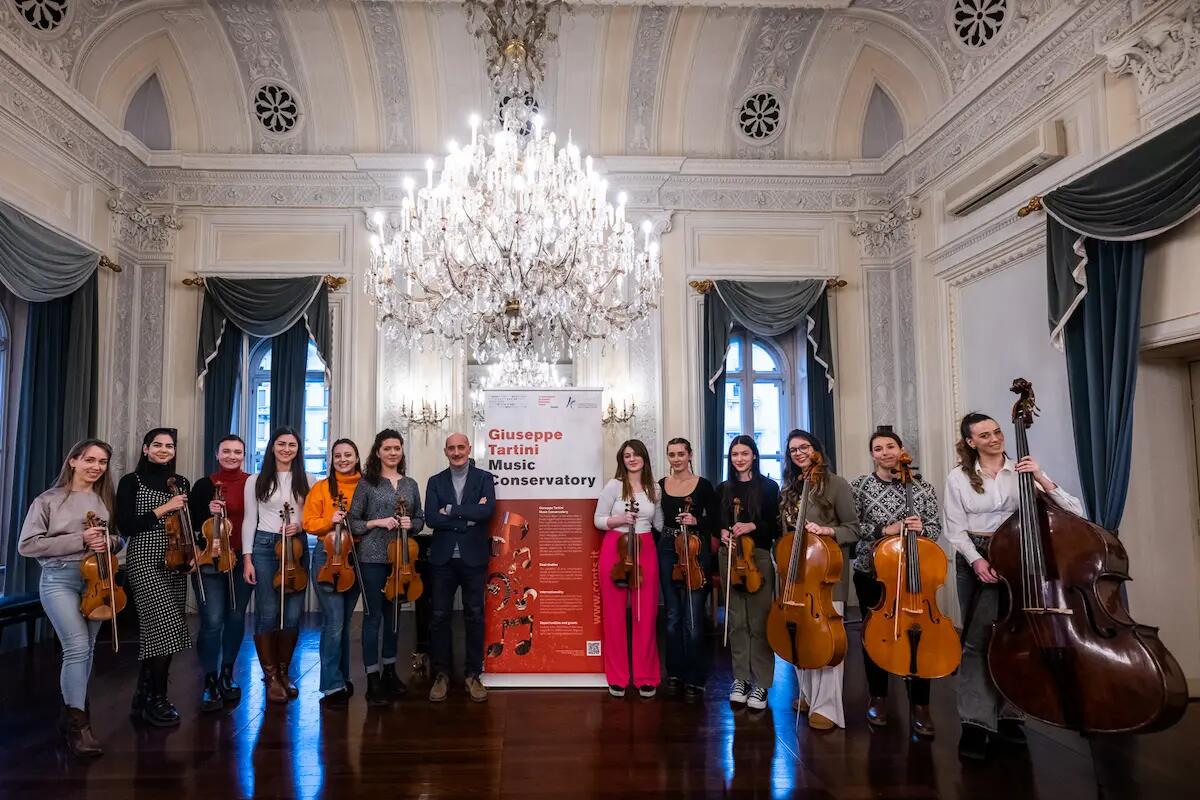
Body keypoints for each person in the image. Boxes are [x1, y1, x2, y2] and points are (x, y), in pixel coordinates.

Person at [944, 412, 1084, 761]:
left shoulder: (1022, 470)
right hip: (976, 558)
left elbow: (1075, 513)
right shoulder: (959, 477)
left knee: (1018, 639)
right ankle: (976, 723)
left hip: (1021, 559)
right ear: (971, 442)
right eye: (985, 435)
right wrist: (977, 560)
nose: (995, 438)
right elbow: (955, 529)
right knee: (978, 642)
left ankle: (1010, 717)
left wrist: (1041, 477)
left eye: (997, 432)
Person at [18, 439, 121, 756]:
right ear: (73, 461)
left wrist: (111, 542)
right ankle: (79, 727)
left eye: (102, 462)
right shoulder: (48, 500)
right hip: (59, 579)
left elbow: (119, 540)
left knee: (86, 649)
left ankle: (70, 715)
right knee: (76, 646)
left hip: (99, 580)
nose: (96, 467)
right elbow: (28, 545)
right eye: (90, 460)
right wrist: (79, 539)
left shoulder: (104, 500)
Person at [850, 427, 942, 737]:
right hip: (872, 572)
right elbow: (853, 526)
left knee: (918, 634)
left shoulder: (923, 487)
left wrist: (921, 528)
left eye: (891, 446)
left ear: (901, 450)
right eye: (878, 448)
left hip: (914, 574)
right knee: (874, 634)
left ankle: (921, 705)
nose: (886, 452)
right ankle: (878, 696)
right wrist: (884, 530)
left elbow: (935, 526)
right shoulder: (860, 486)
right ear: (872, 454)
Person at [780, 429, 858, 730]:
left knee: (827, 639)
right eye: (793, 450)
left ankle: (827, 706)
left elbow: (853, 528)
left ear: (817, 450)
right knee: (800, 636)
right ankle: (810, 696)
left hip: (827, 575)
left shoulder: (836, 484)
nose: (798, 453)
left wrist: (828, 532)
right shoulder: (790, 487)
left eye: (804, 447)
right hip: (797, 573)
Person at [116, 428, 193, 727]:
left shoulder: (181, 482)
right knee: (166, 624)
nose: (163, 450)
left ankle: (144, 693)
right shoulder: (131, 481)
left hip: (176, 559)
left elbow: (188, 523)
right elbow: (126, 526)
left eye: (169, 446)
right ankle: (158, 699)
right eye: (157, 445)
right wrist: (164, 508)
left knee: (158, 631)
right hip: (145, 559)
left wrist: (190, 555)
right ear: (146, 449)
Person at [347, 429, 423, 706]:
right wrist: (377, 522)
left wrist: (410, 524)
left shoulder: (411, 484)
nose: (393, 452)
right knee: (373, 617)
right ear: (377, 452)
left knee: (394, 617)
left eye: (397, 448)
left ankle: (391, 671)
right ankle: (373, 677)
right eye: (387, 448)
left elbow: (419, 519)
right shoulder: (367, 483)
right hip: (372, 557)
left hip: (401, 559)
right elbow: (353, 521)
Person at [424, 432, 496, 703]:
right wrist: (466, 517)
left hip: (474, 558)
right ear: (446, 451)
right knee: (439, 616)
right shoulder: (435, 481)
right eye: (451, 448)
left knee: (475, 616)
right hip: (443, 560)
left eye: (461, 447)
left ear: (468, 449)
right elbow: (431, 518)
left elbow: (487, 511)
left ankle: (472, 674)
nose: (456, 452)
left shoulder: (484, 478)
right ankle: (441, 674)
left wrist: (451, 510)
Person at [242, 427, 311, 704]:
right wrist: (247, 557)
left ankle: (284, 672)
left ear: (298, 449)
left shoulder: (308, 478)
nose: (286, 449)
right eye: (281, 444)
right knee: (268, 613)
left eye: (292, 444)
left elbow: (312, 516)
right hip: (264, 546)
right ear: (272, 447)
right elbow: (250, 519)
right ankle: (270, 677)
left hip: (296, 546)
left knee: (292, 614)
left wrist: (301, 525)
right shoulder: (256, 480)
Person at [594, 439, 665, 698]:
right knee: (613, 615)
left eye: (636, 455)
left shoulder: (654, 488)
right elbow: (598, 519)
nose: (631, 459)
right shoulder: (614, 486)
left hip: (644, 546)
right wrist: (620, 519)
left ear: (644, 458)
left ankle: (646, 676)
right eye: (626, 455)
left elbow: (658, 523)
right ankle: (618, 676)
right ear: (621, 460)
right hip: (616, 546)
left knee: (644, 613)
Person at [188, 435, 252, 712]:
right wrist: (207, 509)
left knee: (236, 617)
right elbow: (188, 521)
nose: (232, 456)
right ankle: (210, 679)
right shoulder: (204, 485)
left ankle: (227, 673)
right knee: (212, 620)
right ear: (217, 454)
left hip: (241, 558)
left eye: (237, 452)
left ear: (244, 455)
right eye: (226, 451)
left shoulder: (252, 482)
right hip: (210, 558)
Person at [716, 435, 780, 711]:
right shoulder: (723, 489)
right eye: (734, 454)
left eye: (744, 453)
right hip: (729, 556)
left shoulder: (768, 486)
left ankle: (762, 682)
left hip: (759, 557)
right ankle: (741, 678)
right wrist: (721, 532)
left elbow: (775, 528)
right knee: (737, 620)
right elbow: (718, 522)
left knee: (759, 620)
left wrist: (752, 526)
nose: (739, 458)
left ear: (754, 455)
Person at [304, 438, 363, 707]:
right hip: (328, 556)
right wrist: (331, 520)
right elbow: (308, 522)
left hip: (358, 557)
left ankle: (341, 677)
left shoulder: (367, 485)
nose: (343, 459)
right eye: (338, 455)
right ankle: (330, 685)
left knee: (345, 622)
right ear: (332, 459)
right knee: (334, 622)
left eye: (348, 455)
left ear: (357, 457)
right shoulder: (321, 488)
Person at [656, 437, 715, 698]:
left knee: (693, 618)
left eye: (681, 454)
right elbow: (656, 520)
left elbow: (715, 519)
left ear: (690, 455)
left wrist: (696, 520)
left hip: (695, 548)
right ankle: (675, 672)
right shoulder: (660, 486)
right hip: (668, 547)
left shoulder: (703, 486)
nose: (677, 459)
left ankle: (695, 676)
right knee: (671, 617)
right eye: (672, 455)